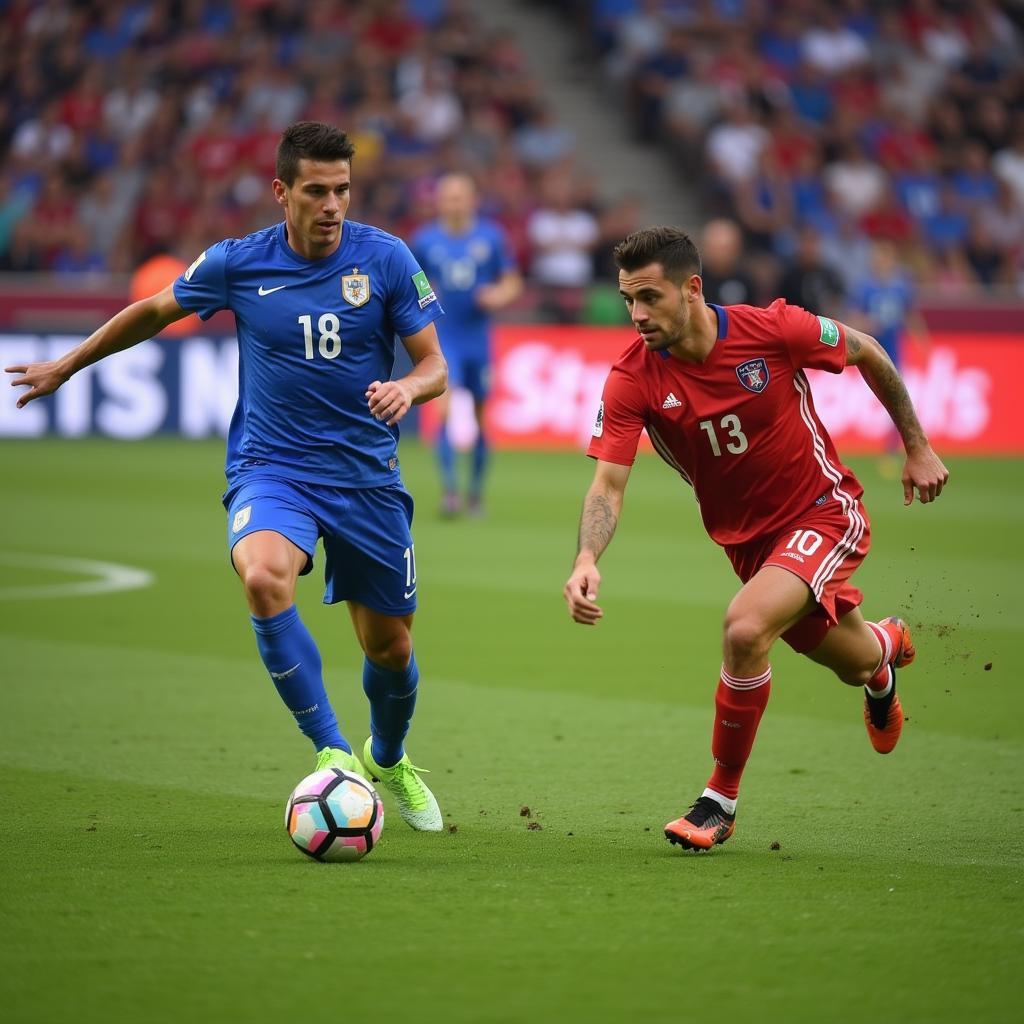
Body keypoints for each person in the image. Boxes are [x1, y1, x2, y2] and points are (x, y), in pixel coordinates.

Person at [6, 121, 448, 832]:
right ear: (281, 192)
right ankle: (332, 751)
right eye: (315, 191)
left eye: (341, 190)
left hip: (367, 477)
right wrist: (68, 363)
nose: (332, 205)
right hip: (273, 468)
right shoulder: (238, 263)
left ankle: (387, 757)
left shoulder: (388, 259)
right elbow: (152, 311)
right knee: (264, 575)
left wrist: (410, 389)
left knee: (390, 648)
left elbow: (435, 365)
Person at [563, 227, 948, 852]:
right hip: (748, 547)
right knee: (851, 664)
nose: (636, 314)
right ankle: (883, 654)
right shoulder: (631, 378)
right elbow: (607, 484)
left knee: (744, 630)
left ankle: (719, 801)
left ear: (691, 289)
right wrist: (585, 557)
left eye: (649, 298)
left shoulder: (772, 329)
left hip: (823, 511)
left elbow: (869, 351)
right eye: (628, 299)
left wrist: (917, 445)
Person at [411, 172, 522, 517]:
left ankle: (474, 494)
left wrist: (496, 295)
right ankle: (450, 493)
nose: (454, 203)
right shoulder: (425, 240)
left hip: (478, 339)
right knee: (442, 411)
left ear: (473, 200)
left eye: (460, 197)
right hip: (445, 339)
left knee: (479, 417)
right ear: (439, 202)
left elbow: (512, 282)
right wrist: (428, 293)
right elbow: (413, 281)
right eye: (448, 197)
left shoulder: (491, 237)